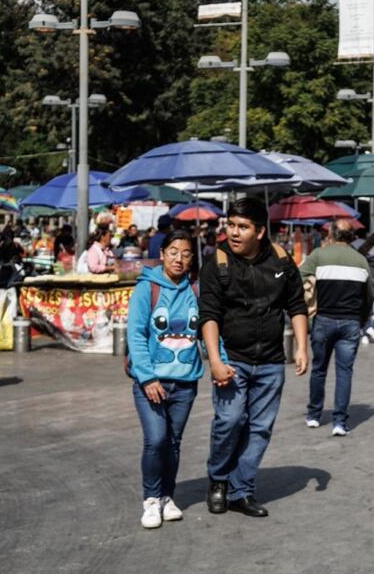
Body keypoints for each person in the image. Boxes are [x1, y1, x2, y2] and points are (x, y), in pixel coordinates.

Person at [199, 198, 309, 518]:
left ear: (259, 231)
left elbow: (296, 306)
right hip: (233, 359)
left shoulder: (281, 261)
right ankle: (218, 479)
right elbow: (209, 314)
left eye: (242, 227)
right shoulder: (216, 262)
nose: (234, 232)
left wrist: (302, 347)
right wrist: (215, 361)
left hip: (272, 361)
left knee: (260, 428)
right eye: (231, 225)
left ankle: (241, 490)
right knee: (230, 421)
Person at [127, 230, 203, 529]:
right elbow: (135, 334)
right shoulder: (147, 289)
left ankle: (167, 496)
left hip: (186, 381)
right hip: (152, 382)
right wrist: (147, 378)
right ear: (162, 254)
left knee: (173, 443)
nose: (179, 259)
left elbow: (211, 328)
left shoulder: (196, 290)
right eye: (173, 251)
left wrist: (221, 359)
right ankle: (151, 499)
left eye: (185, 253)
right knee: (156, 440)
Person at [300, 219, 373, 436]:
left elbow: (300, 277)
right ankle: (340, 422)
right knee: (344, 372)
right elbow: (368, 296)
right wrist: (363, 320)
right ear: (351, 236)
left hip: (323, 319)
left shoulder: (318, 256)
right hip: (350, 322)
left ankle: (314, 415)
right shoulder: (361, 261)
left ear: (331, 233)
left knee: (319, 369)